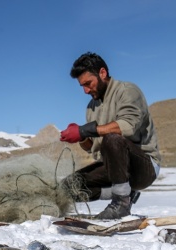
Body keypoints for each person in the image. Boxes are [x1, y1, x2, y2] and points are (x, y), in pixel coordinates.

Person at [59, 52, 161, 219]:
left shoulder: (128, 91)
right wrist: (82, 137)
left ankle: (121, 203)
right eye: (82, 86)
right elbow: (92, 147)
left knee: (112, 138)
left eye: (88, 83)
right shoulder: (91, 107)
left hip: (144, 168)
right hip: (114, 168)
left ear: (102, 73)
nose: (85, 90)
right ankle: (127, 194)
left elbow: (127, 127)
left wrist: (85, 130)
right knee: (69, 187)